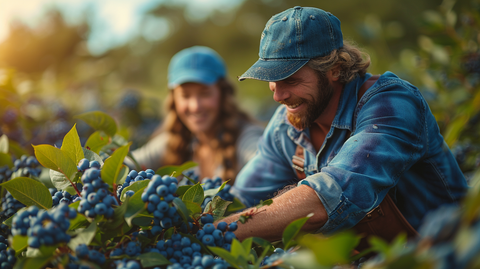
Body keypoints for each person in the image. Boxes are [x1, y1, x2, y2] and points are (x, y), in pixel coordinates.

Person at [221, 6, 469, 244]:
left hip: (448, 254)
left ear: (335, 69)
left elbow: (332, 195)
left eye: (290, 79)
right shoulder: (284, 126)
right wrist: (196, 222)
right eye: (271, 81)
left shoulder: (392, 104)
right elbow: (242, 199)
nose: (278, 96)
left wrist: (222, 232)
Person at [127, 46, 263, 181]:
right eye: (185, 96)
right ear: (174, 100)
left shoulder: (246, 137)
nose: (195, 106)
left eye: (205, 94)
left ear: (223, 93)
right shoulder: (175, 141)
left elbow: (266, 166)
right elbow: (124, 165)